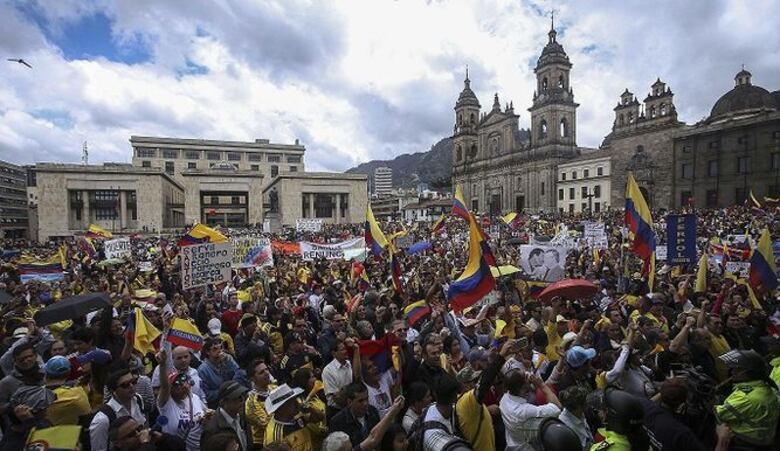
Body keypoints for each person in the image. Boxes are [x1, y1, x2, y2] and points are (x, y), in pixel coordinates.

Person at [715, 349, 779, 449]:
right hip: (765, 441)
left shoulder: (745, 397)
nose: (732, 372)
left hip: (744, 442)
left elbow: (719, 414)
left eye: (736, 369)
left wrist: (711, 402)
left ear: (749, 372)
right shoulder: (767, 387)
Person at [157, 348, 209, 451]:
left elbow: (206, 416)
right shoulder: (166, 403)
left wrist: (207, 418)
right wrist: (162, 365)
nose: (182, 385)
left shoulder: (195, 398)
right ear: (171, 389)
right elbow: (164, 386)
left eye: (184, 381)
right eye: (176, 384)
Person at [500, 369, 562, 449]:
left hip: (513, 442)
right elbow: (557, 407)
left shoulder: (504, 399)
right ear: (523, 387)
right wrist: (542, 385)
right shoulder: (523, 411)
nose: (529, 374)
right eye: (526, 376)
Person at [90, 368, 148, 451]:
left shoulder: (138, 399)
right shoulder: (102, 419)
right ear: (113, 391)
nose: (131, 386)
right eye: (125, 385)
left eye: (133, 381)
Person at [263, 383, 324, 451]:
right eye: (291, 402)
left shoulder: (298, 415)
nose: (297, 403)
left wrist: (309, 409)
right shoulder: (275, 436)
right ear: (281, 408)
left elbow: (319, 418)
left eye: (295, 400)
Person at [43, 355, 91, 426]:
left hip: (48, 435)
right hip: (76, 434)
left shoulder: (39, 395)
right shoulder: (80, 391)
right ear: (68, 373)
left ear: (46, 374)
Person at [202, 380, 250, 451]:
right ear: (223, 402)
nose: (242, 400)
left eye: (243, 396)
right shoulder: (212, 430)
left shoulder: (242, 416)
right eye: (237, 398)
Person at [330, 382, 380, 447]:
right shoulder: (337, 422)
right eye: (360, 401)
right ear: (350, 402)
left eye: (366, 399)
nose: (365, 403)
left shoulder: (373, 412)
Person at [198, 337, 240, 408]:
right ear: (208, 352)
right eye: (215, 349)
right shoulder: (203, 369)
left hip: (232, 396)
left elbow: (238, 374)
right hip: (217, 403)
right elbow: (206, 394)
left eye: (221, 348)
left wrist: (229, 363)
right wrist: (224, 391)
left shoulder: (227, 359)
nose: (219, 351)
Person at [245, 359, 276, 451]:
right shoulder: (251, 403)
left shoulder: (274, 388)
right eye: (262, 372)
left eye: (267, 369)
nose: (267, 373)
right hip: (263, 444)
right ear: (252, 379)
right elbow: (267, 424)